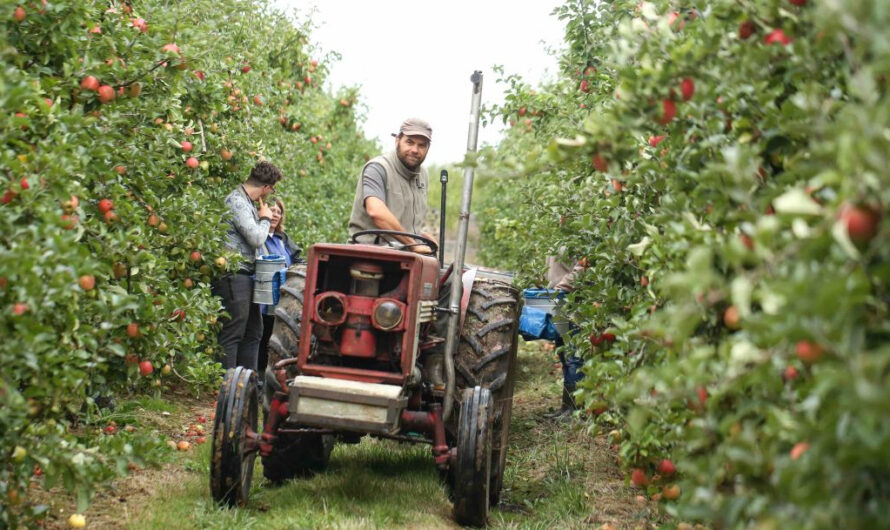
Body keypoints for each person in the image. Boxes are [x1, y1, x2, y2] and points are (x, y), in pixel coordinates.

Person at [211, 161, 283, 372]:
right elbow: (256, 238)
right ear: (267, 188)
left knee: (254, 332)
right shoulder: (237, 202)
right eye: (273, 190)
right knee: (233, 333)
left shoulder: (249, 203)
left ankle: (247, 385)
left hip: (248, 276)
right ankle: (226, 386)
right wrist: (265, 220)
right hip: (234, 275)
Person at [347, 117, 437, 254]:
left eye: (421, 145)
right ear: (397, 140)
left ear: (428, 148)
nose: (415, 150)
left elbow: (404, 221)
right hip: (369, 255)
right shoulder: (378, 168)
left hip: (404, 255)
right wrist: (413, 245)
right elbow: (376, 212)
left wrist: (421, 236)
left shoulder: (423, 175)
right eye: (409, 142)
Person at [257, 197, 302, 388]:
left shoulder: (283, 240)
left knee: (274, 339)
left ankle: (272, 379)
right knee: (260, 336)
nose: (275, 214)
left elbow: (297, 260)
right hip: (262, 297)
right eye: (272, 210)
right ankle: (257, 378)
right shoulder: (258, 236)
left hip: (281, 299)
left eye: (278, 211)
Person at [543, 255, 587, 419]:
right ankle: (566, 407)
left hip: (574, 302)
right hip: (559, 302)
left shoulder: (578, 232)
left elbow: (583, 267)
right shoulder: (556, 235)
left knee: (574, 356)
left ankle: (576, 410)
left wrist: (561, 287)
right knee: (563, 354)